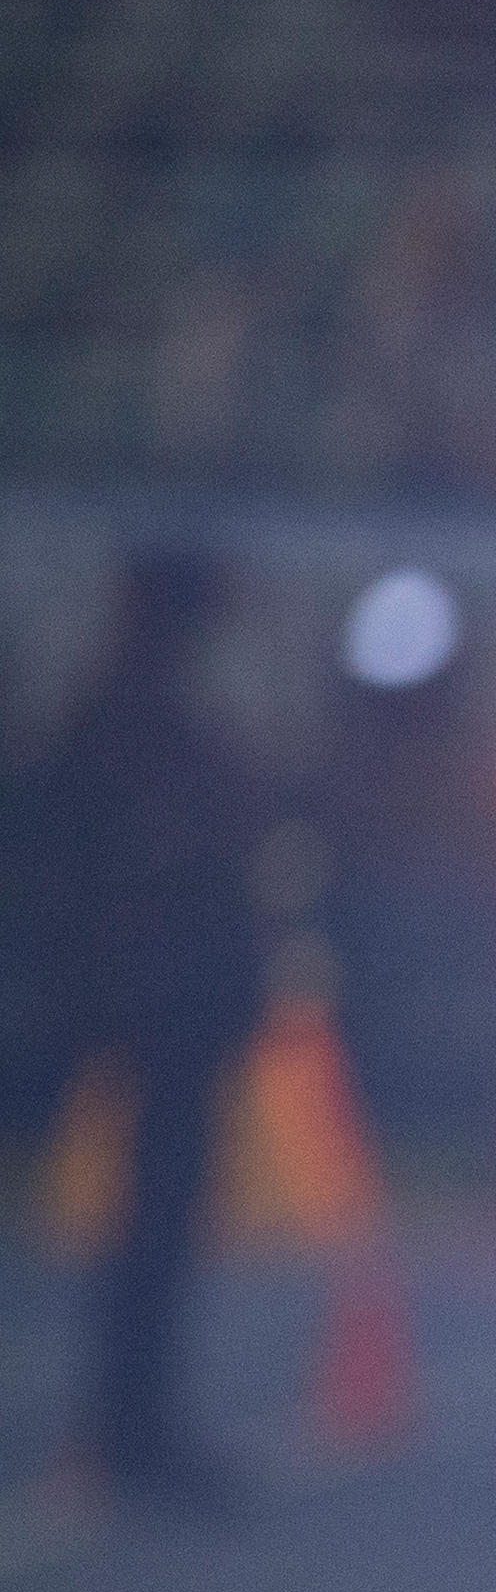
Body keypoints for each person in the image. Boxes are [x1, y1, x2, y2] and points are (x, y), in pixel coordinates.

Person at [25, 547, 279, 1511]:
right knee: (148, 1228)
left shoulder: (136, 716)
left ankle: (137, 1424)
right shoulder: (143, 725)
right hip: (151, 1013)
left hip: (157, 1012)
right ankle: (129, 1427)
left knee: (157, 1227)